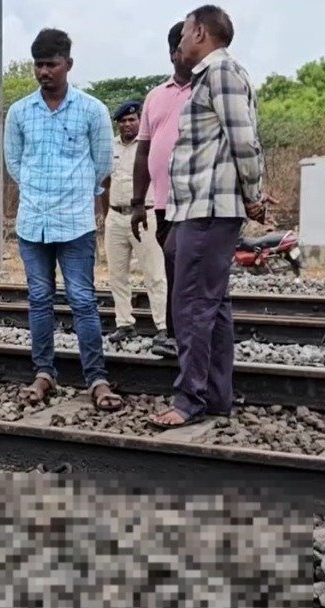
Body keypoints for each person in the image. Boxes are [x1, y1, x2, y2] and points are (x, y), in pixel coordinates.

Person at [149, 5, 264, 429]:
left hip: (210, 208)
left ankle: (189, 400)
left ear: (200, 31)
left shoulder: (221, 74)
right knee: (212, 306)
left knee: (193, 304)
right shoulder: (213, 76)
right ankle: (216, 396)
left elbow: (245, 141)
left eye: (184, 33)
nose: (179, 41)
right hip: (196, 208)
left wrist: (254, 195)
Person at [5, 28, 124, 412]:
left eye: (52, 64)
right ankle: (44, 373)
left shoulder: (92, 110)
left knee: (83, 300)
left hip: (75, 223)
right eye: (38, 64)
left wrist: (72, 194)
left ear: (68, 65)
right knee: (39, 299)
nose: (44, 71)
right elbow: (14, 163)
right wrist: (41, 192)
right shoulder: (20, 112)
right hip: (33, 223)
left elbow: (103, 163)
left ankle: (96, 378)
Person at [130, 19, 194, 356]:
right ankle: (173, 335)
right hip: (164, 203)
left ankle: (193, 338)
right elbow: (143, 151)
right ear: (174, 53)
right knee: (172, 268)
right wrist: (138, 202)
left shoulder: (209, 90)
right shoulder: (155, 97)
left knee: (189, 269)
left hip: (200, 202)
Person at [98, 99, 173, 356]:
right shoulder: (110, 148)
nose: (127, 124)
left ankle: (163, 326)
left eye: (132, 120)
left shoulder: (149, 145)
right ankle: (124, 323)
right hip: (116, 215)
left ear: (140, 121)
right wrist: (105, 214)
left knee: (154, 273)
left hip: (145, 215)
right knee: (117, 275)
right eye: (123, 121)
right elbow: (105, 182)